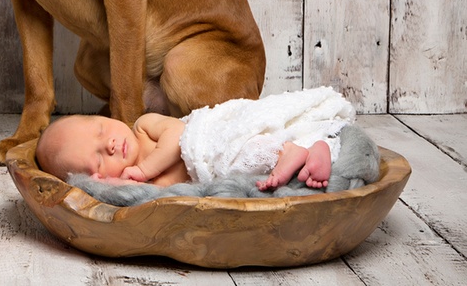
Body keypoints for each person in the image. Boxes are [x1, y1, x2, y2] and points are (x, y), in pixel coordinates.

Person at [35, 87, 355, 190]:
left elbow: (178, 136)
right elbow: (163, 197)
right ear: (97, 177)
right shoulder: (140, 185)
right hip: (217, 172)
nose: (108, 143)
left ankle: (304, 145)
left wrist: (144, 171)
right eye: (98, 157)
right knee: (245, 169)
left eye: (100, 129)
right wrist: (122, 186)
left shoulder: (144, 127)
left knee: (250, 134)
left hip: (212, 134)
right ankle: (306, 150)